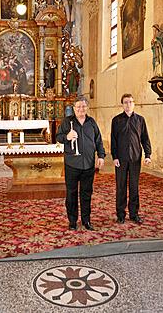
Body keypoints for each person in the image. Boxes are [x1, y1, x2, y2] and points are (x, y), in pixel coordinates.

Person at [56, 97, 105, 231]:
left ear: (87, 108)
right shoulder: (67, 122)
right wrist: (67, 137)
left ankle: (86, 220)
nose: (81, 109)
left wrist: (101, 156)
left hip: (88, 164)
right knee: (71, 194)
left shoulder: (91, 122)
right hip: (72, 163)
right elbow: (58, 137)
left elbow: (98, 140)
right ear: (74, 108)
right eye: (78, 107)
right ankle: (72, 221)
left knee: (86, 194)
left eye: (83, 107)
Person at [111, 93, 152, 225]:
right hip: (121, 160)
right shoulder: (116, 120)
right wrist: (115, 157)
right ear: (122, 104)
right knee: (121, 187)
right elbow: (113, 140)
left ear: (134, 104)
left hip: (135, 158)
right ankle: (121, 214)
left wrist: (148, 155)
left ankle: (134, 214)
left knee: (134, 187)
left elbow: (145, 138)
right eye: (125, 102)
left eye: (130, 102)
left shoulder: (140, 120)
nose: (128, 104)